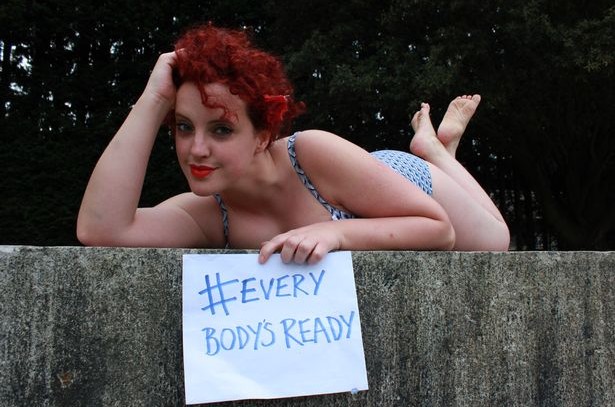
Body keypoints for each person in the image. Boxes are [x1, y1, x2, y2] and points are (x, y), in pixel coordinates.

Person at [77, 24, 510, 264]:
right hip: (365, 186)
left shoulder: (312, 150)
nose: (196, 149)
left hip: (402, 180)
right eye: (184, 127)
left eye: (222, 130)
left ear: (263, 135)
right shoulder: (207, 215)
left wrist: (333, 232)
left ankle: (434, 150)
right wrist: (154, 100)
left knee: (497, 243)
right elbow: (100, 230)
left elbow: (439, 229)